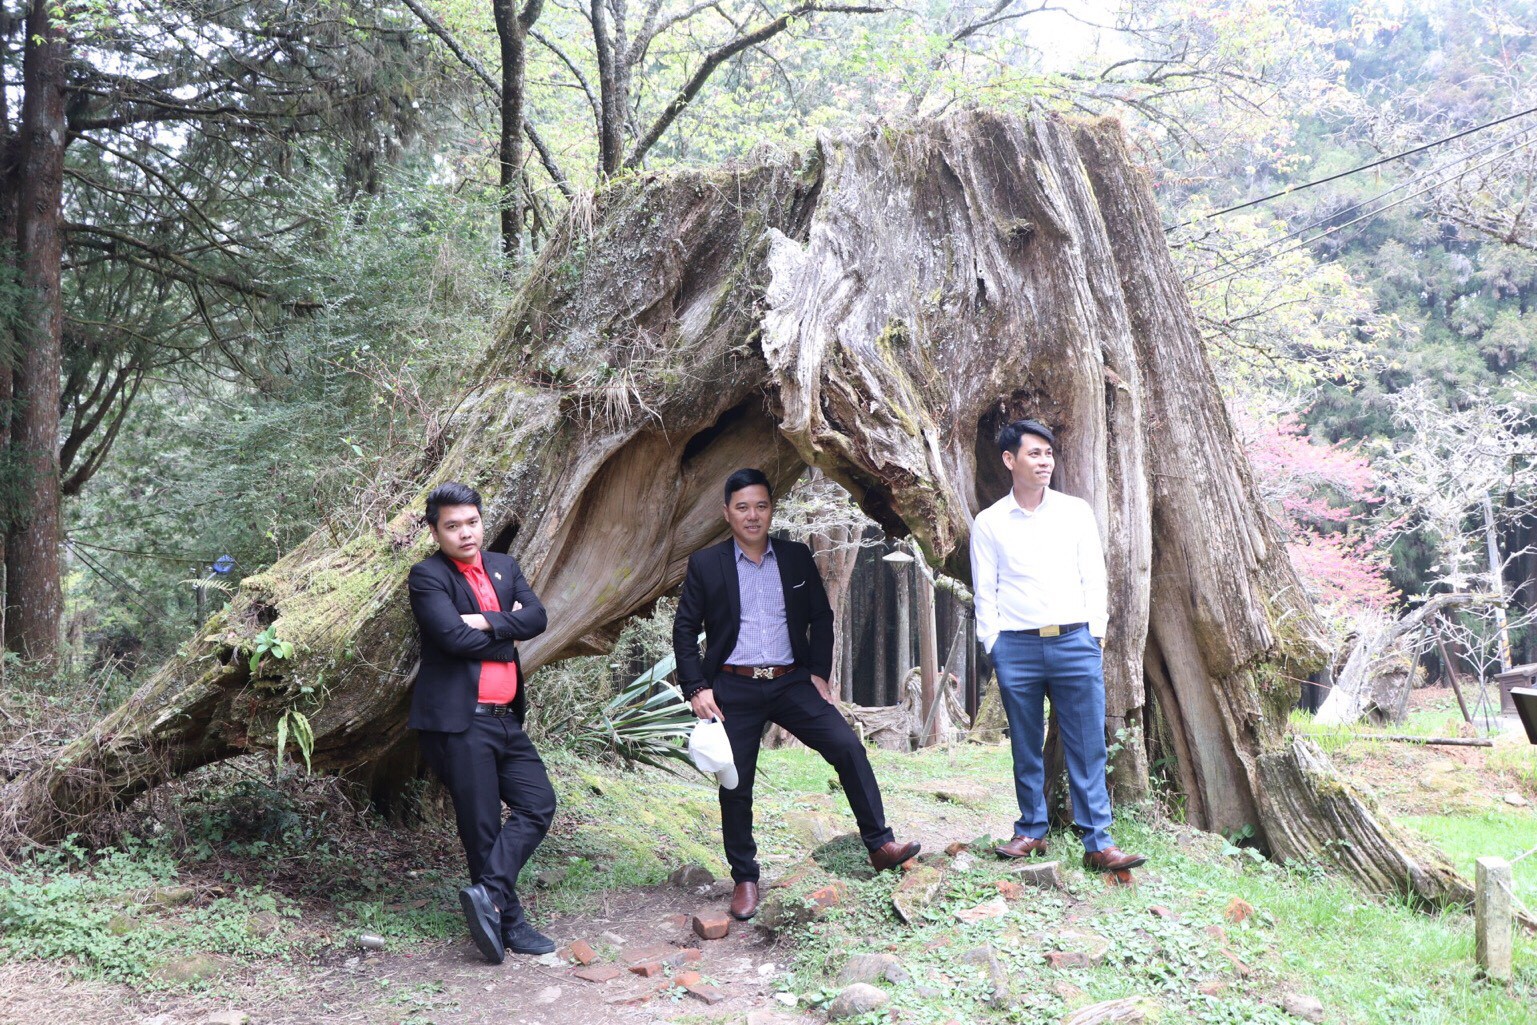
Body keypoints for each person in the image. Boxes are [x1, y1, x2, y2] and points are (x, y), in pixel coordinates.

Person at [673, 468, 922, 921]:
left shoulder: (793, 556)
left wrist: (819, 673)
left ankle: (880, 845)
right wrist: (696, 687)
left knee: (847, 747)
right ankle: (745, 878)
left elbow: (820, 617)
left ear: (772, 510)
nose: (752, 515)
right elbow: (685, 629)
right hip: (733, 685)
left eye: (761, 506)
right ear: (727, 513)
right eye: (743, 507)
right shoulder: (707, 564)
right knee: (736, 782)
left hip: (791, 682)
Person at [970, 420, 1146, 873]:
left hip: (1074, 642)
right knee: (1025, 743)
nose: (1045, 461)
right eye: (1034, 453)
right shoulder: (990, 523)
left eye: (1048, 453)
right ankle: (1031, 830)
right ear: (1009, 460)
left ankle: (1099, 842)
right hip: (1017, 647)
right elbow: (984, 591)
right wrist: (994, 644)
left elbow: (1094, 576)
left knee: (1088, 744)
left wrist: (1095, 634)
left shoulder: (1075, 512)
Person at [408, 481, 557, 964]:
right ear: (435, 532)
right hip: (459, 723)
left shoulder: (504, 566)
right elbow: (451, 638)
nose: (465, 533)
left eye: (472, 522)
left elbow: (538, 618)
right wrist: (505, 628)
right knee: (482, 827)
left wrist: (481, 620)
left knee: (538, 803)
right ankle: (508, 924)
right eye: (452, 526)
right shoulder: (427, 576)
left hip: (506, 719)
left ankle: (488, 894)